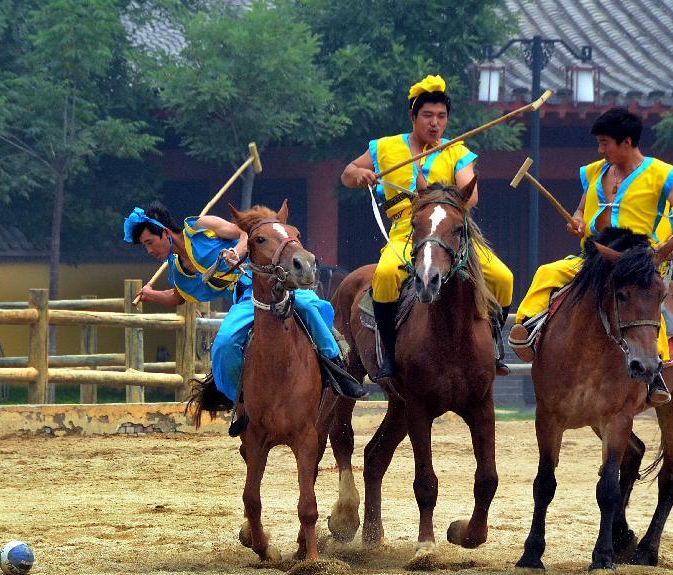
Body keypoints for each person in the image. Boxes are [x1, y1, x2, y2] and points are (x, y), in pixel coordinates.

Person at [509, 108, 673, 405]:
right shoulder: (595, 172)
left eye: (605, 143)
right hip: (596, 259)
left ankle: (656, 373)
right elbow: (581, 209)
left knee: (649, 306)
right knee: (548, 272)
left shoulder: (661, 174)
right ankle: (530, 329)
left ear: (626, 142)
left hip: (639, 264)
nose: (600, 150)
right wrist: (576, 221)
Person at [124, 202, 364, 436]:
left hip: (269, 279)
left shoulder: (199, 226)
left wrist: (235, 253)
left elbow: (242, 232)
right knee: (225, 343)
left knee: (310, 307)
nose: (149, 250)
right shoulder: (177, 270)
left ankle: (337, 369)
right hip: (246, 299)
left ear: (165, 233)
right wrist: (151, 295)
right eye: (144, 246)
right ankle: (242, 403)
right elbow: (178, 297)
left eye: (149, 242)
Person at [340, 74, 514, 379]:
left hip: (449, 231)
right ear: (413, 116)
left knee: (503, 277)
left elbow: (470, 197)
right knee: (384, 275)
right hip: (406, 229)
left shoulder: (457, 151)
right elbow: (348, 173)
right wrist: (361, 175)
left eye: (441, 116)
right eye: (428, 116)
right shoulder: (385, 148)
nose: (435, 123)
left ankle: (494, 346)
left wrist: (450, 195)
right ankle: (391, 355)